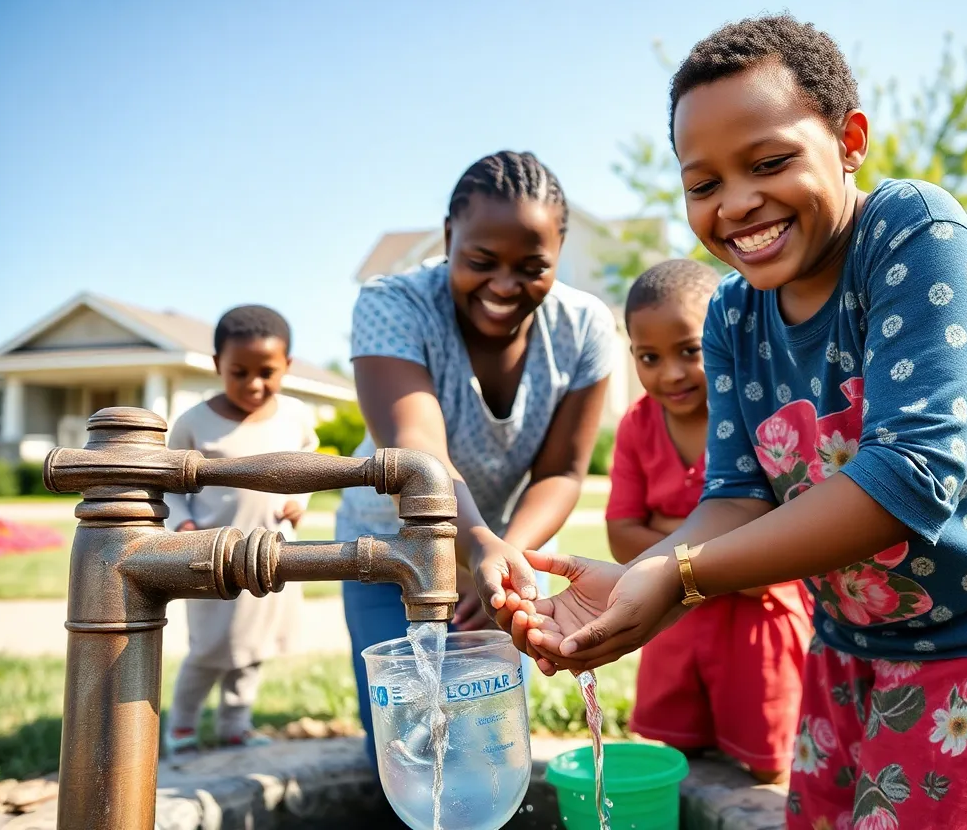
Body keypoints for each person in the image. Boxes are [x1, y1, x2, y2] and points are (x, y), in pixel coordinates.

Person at [512, 16, 967, 829]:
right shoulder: (729, 314)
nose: (738, 202)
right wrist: (643, 575)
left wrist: (679, 577)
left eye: (769, 162)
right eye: (703, 183)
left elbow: (909, 478)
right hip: (854, 641)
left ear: (850, 139)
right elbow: (737, 496)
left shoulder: (914, 237)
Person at [338, 149, 617, 769]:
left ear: (560, 250)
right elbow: (418, 450)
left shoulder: (583, 327)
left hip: (498, 546)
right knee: (404, 743)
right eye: (481, 262)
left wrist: (503, 555)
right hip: (388, 547)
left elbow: (561, 472)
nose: (504, 286)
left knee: (488, 740)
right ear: (447, 238)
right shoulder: (394, 304)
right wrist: (473, 543)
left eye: (532, 266)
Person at [607, 258, 811, 783]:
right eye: (648, 357)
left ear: (719, 340)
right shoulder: (636, 426)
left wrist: (665, 525)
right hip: (673, 623)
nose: (670, 373)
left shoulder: (754, 410)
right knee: (676, 765)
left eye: (689, 351)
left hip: (756, 628)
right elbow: (619, 535)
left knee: (770, 772)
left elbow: (774, 562)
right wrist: (729, 554)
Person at [164, 305, 320, 754]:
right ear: (217, 366)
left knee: (253, 649)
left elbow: (309, 463)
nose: (254, 384)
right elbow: (168, 485)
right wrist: (183, 523)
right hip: (211, 559)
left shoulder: (293, 417)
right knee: (209, 651)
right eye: (239, 372)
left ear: (287, 365)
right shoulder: (194, 423)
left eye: (267, 372)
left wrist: (301, 499)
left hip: (272, 557)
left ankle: (236, 727)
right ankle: (182, 730)